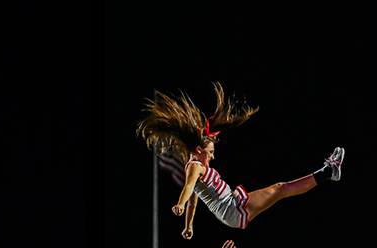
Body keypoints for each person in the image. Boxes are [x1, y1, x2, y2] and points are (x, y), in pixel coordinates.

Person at [135, 82, 344, 237]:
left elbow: (193, 198)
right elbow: (188, 189)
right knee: (281, 188)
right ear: (198, 150)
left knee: (281, 189)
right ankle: (328, 172)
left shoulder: (196, 167)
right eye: (210, 152)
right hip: (232, 210)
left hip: (232, 207)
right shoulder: (195, 167)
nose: (213, 155)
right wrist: (179, 204)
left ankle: (328, 172)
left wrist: (188, 225)